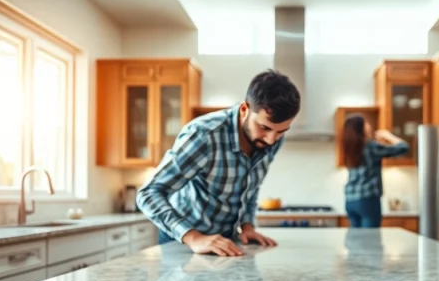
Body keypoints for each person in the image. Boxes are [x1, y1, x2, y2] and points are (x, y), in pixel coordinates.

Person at [137, 69, 301, 256]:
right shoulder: (203, 135)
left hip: (225, 242)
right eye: (264, 127)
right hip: (183, 241)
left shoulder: (273, 140)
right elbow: (148, 193)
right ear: (244, 109)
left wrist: (247, 226)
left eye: (281, 131)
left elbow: (250, 186)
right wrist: (194, 238)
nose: (271, 140)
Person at [341, 114, 409, 228]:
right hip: (367, 199)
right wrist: (388, 136)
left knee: (356, 241)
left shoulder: (349, 148)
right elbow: (403, 147)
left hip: (350, 201)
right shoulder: (370, 147)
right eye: (366, 123)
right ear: (360, 128)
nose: (369, 126)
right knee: (370, 241)